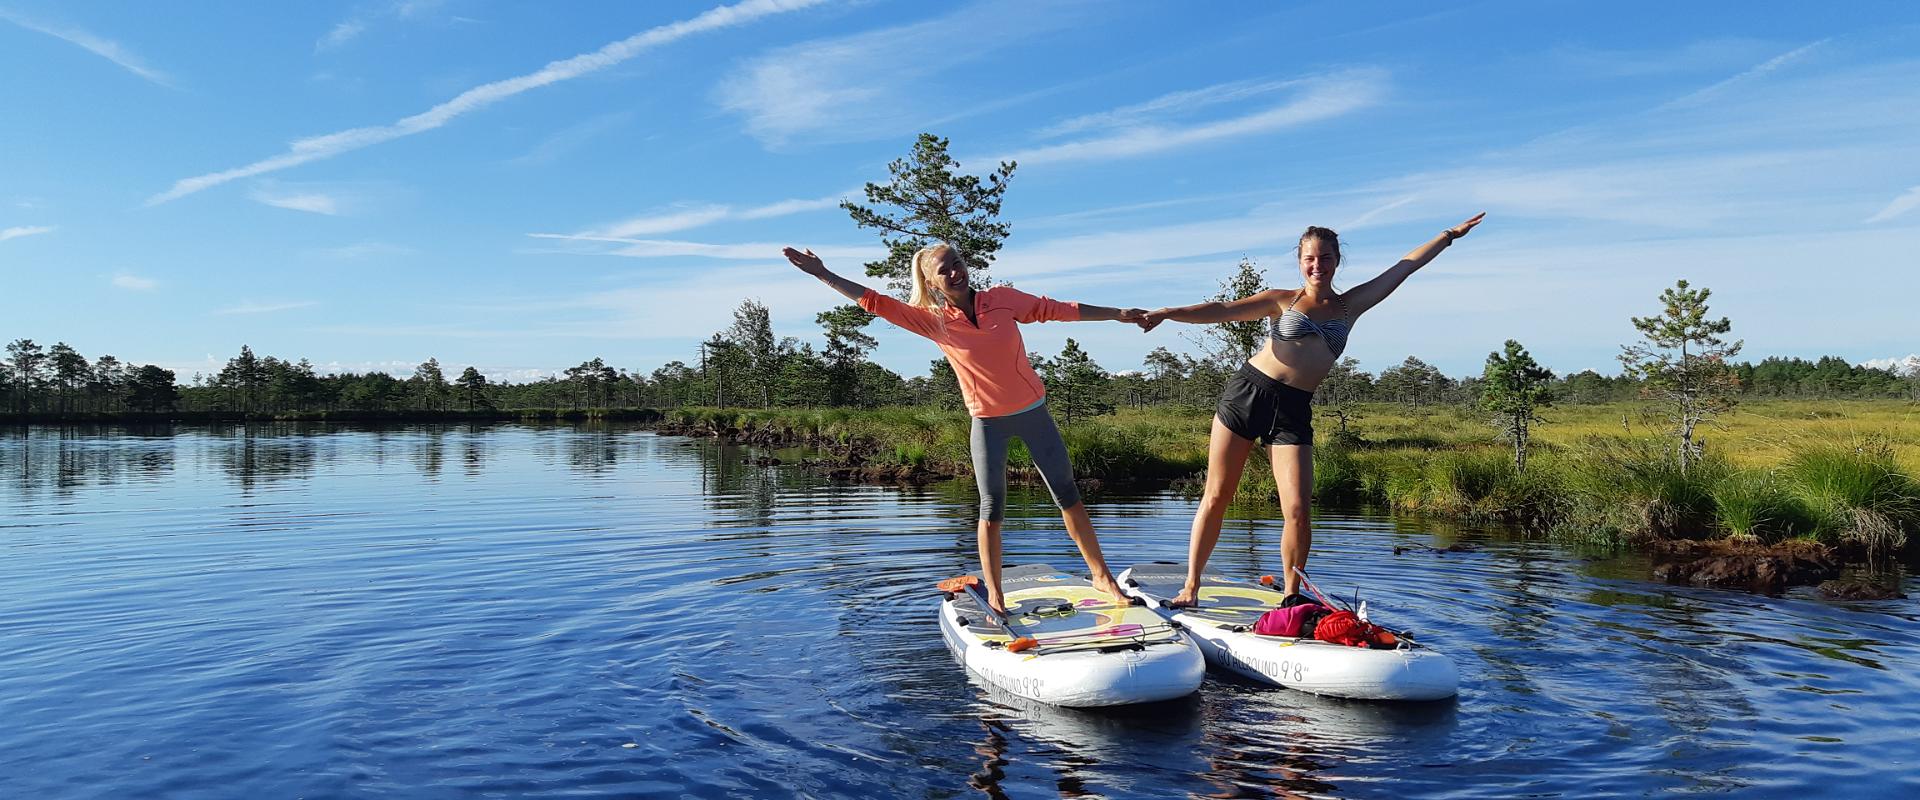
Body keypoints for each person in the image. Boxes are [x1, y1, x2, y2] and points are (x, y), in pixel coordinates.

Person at [1139, 213, 1486, 607]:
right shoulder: (1282, 300)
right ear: (1300, 261)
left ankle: (1291, 596)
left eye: (1325, 258)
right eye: (1309, 258)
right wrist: (1167, 312)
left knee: (1300, 510)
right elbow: (1222, 308)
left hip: (1293, 410)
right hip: (1247, 395)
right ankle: (1191, 588)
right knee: (1217, 495)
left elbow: (1404, 267)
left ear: (1337, 261)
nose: (1317, 265)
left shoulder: (1351, 305)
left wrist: (1448, 236)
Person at [783, 242, 1150, 614]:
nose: (955, 271)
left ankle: (1102, 577)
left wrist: (1118, 314)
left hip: (1033, 412)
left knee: (1067, 495)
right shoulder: (933, 321)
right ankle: (996, 594)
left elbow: (1057, 309)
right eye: (944, 269)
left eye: (957, 263)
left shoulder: (1002, 300)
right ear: (931, 280)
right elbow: (875, 301)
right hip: (988, 421)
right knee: (991, 509)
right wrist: (822, 274)